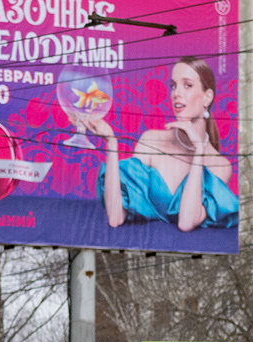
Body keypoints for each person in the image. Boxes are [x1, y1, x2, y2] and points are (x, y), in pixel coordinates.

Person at [81, 56, 238, 232]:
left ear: (207, 97)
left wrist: (199, 150)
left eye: (187, 85)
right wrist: (111, 143)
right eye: (173, 86)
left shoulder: (220, 166)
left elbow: (186, 223)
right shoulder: (150, 140)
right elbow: (116, 218)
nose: (176, 93)